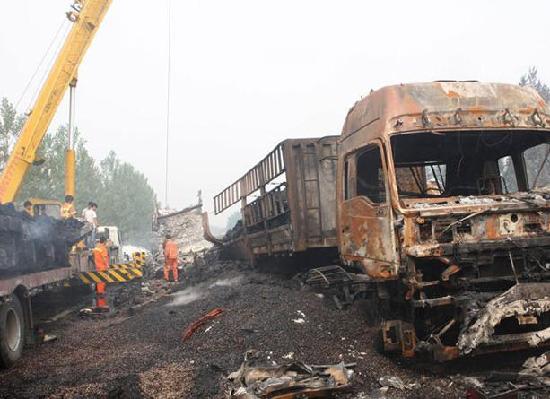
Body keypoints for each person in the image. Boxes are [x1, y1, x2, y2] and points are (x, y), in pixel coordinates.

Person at [92, 236, 109, 309]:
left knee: (98, 286)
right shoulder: (103, 249)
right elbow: (105, 259)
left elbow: (93, 257)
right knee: (102, 287)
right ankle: (102, 305)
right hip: (103, 268)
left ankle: (99, 304)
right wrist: (108, 266)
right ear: (104, 241)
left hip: (97, 268)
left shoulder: (96, 248)